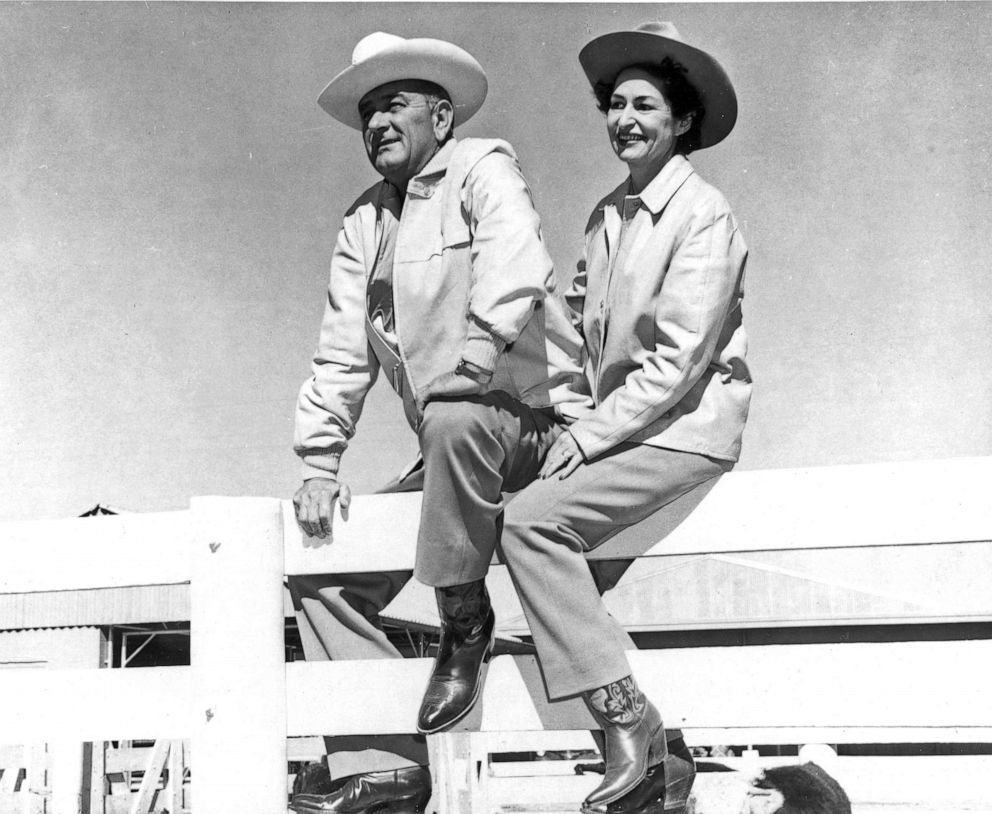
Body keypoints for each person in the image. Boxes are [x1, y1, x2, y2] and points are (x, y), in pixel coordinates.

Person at [288, 30, 591, 813]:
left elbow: (518, 261)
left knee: (460, 423)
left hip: (531, 429)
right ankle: (382, 762)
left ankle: (466, 625)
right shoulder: (363, 224)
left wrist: (477, 355)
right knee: (320, 563)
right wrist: (320, 460)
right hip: (452, 444)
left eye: (395, 105)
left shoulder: (483, 167)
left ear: (443, 118)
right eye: (367, 115)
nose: (378, 124)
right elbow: (340, 350)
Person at [498, 21, 751, 814]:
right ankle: (666, 768)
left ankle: (630, 730)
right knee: (529, 606)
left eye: (644, 103)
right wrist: (572, 421)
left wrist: (586, 437)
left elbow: (678, 365)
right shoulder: (607, 214)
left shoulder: (703, 215)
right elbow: (574, 343)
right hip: (619, 430)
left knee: (531, 527)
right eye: (614, 103)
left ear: (681, 121)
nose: (624, 117)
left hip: (683, 432)